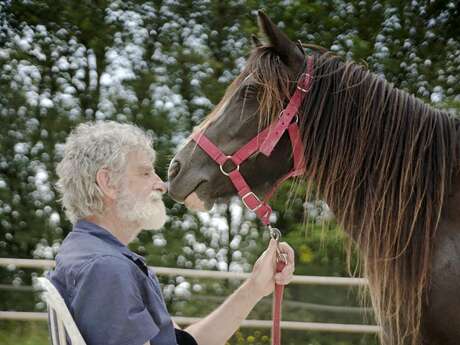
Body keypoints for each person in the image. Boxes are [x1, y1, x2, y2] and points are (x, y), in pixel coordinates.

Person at [48, 121, 295, 345]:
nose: (161, 184)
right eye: (145, 172)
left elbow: (187, 342)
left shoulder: (93, 255)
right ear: (108, 183)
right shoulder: (106, 268)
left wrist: (254, 288)